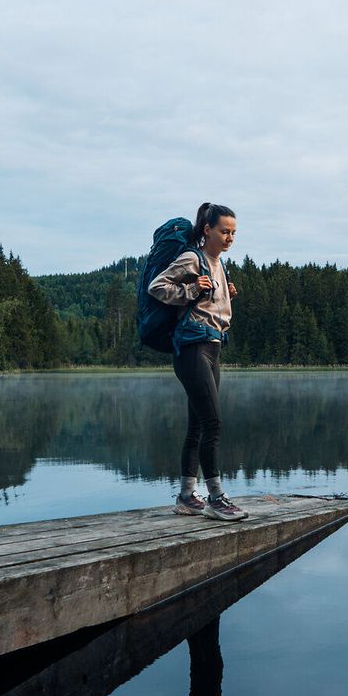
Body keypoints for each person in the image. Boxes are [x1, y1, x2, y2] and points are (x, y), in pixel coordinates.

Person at [148, 203, 248, 522]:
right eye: (224, 231)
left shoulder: (219, 264)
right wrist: (192, 288)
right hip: (192, 349)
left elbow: (211, 304)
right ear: (208, 231)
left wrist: (224, 294)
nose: (230, 237)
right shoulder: (194, 258)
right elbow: (158, 287)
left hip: (212, 348)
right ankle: (216, 498)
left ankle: (187, 496)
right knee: (213, 423)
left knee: (198, 426)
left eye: (233, 232)